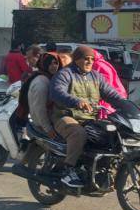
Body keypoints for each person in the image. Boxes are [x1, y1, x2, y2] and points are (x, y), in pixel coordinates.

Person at [50, 45, 125, 188]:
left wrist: (126, 105)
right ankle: (68, 170)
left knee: (111, 133)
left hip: (90, 119)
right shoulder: (65, 74)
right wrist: (77, 101)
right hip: (65, 116)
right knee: (78, 133)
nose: (90, 62)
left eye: (92, 59)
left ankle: (98, 169)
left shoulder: (96, 76)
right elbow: (57, 92)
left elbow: (111, 94)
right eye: (86, 59)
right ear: (77, 59)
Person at [15, 53, 61, 137]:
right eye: (49, 64)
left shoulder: (50, 78)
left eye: (55, 63)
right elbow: (39, 108)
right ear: (43, 65)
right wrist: (48, 129)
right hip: (42, 125)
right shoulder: (41, 82)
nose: (54, 66)